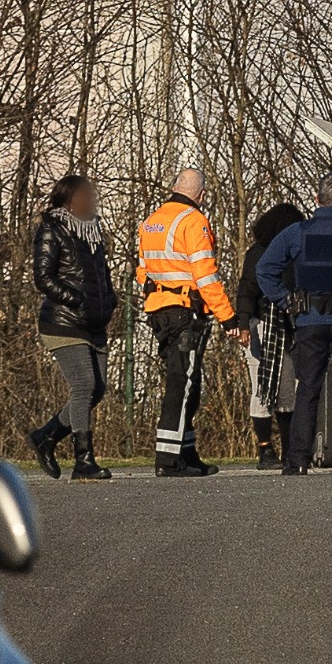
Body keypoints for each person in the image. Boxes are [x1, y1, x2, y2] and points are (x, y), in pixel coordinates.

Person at [258, 172, 332, 475]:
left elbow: (265, 269)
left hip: (307, 319)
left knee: (307, 388)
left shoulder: (297, 232)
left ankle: (297, 460)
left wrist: (285, 301)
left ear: (316, 200)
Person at [136, 167, 246, 478]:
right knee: (182, 383)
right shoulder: (194, 221)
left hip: (159, 309)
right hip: (185, 310)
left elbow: (141, 270)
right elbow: (206, 276)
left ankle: (186, 451)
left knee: (186, 382)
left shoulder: (152, 220)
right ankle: (169, 459)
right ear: (201, 195)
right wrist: (228, 316)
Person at [25, 176, 119, 481]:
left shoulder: (93, 230)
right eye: (85, 194)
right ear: (68, 197)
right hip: (64, 322)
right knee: (83, 385)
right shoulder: (53, 228)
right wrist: (74, 298)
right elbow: (43, 276)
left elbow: (102, 273)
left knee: (98, 390)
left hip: (95, 322)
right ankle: (84, 461)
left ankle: (46, 436)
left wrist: (109, 299)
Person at [236, 203, 305, 470]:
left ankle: (266, 449)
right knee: (282, 391)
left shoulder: (256, 253)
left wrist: (243, 323)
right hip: (273, 326)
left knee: (262, 388)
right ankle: (286, 449)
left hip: (260, 323)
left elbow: (245, 289)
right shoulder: (289, 253)